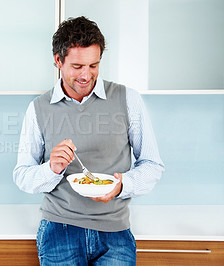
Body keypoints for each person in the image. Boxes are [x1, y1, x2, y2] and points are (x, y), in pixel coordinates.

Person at [13, 16, 164, 265]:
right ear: (58, 61)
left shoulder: (128, 100)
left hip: (114, 231)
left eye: (93, 66)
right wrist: (51, 169)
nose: (86, 75)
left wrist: (122, 185)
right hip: (59, 229)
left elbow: (152, 164)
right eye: (77, 66)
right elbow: (22, 175)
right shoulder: (38, 108)